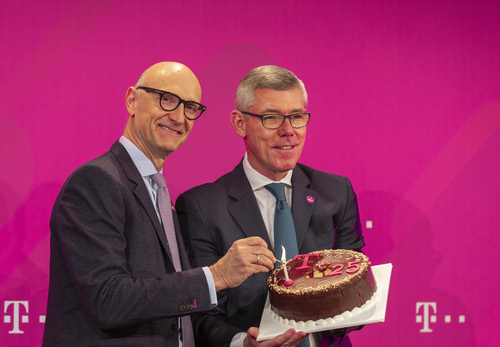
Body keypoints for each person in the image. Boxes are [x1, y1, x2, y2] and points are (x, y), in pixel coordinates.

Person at [42, 62, 277, 347]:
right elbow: (108, 300)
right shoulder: (95, 181)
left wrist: (241, 342)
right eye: (167, 99)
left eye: (190, 107)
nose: (179, 117)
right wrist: (216, 276)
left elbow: (173, 309)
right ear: (132, 100)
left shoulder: (161, 194)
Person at [175, 65, 366, 347]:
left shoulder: (337, 192)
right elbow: (200, 314)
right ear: (240, 123)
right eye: (271, 118)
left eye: (297, 117)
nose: (288, 131)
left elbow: (356, 289)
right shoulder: (201, 207)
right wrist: (243, 343)